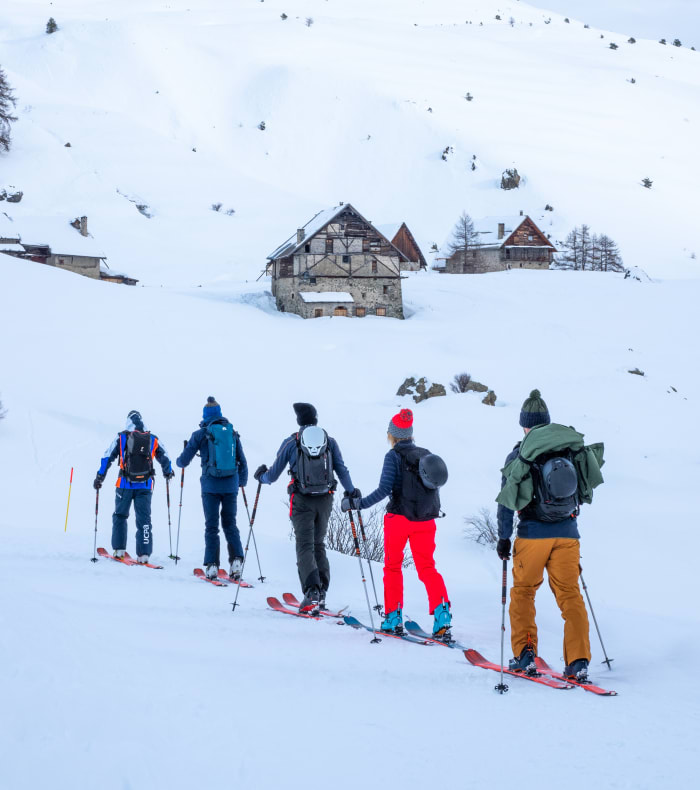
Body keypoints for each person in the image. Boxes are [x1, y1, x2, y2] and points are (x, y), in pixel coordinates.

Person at [496, 389, 596, 682]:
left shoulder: (520, 454)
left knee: (524, 592)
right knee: (569, 595)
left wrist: (503, 538)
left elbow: (506, 501)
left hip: (532, 534)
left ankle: (525, 655)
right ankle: (578, 661)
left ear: (525, 425)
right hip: (568, 534)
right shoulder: (569, 451)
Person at [342, 409, 452, 639]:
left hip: (398, 521)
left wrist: (358, 504)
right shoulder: (426, 454)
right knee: (427, 567)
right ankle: (442, 614)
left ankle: (393, 617)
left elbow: (383, 490)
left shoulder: (392, 456)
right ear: (410, 434)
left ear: (392, 435)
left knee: (393, 567)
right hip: (426, 520)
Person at [254, 402, 358, 612]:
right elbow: (341, 469)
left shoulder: (291, 442)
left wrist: (261, 477)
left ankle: (311, 592)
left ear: (298, 421)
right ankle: (321, 593)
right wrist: (351, 490)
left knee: (304, 545)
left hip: (301, 500)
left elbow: (273, 475)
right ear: (316, 420)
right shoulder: (330, 441)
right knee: (318, 544)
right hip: (325, 499)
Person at [177, 397, 248, 580]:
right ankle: (237, 562)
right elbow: (242, 460)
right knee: (230, 524)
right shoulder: (232, 433)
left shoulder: (200, 434)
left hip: (210, 486)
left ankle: (212, 566)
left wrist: (182, 455)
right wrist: (241, 482)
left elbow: (183, 461)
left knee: (211, 526)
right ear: (220, 413)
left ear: (204, 415)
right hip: (231, 485)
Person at [94, 410, 174, 562]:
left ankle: (118, 550)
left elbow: (107, 456)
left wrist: (100, 477)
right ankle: (144, 554)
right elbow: (165, 456)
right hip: (145, 485)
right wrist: (168, 472)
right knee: (144, 519)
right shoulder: (151, 438)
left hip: (124, 484)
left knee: (120, 515)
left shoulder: (122, 437)